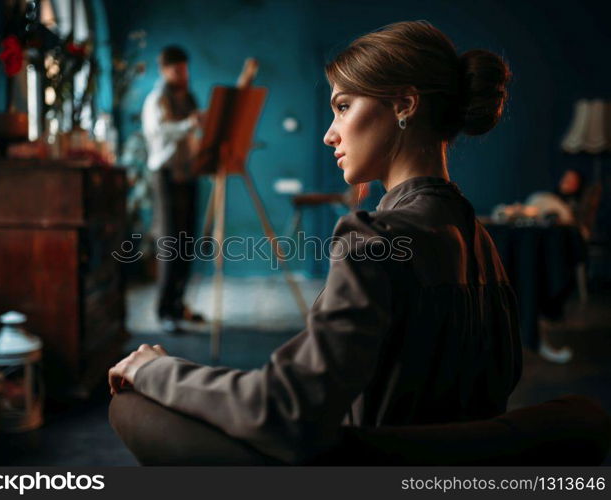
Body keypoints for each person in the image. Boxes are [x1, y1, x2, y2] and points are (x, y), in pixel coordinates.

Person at [111, 21, 522, 464]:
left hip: (358, 465)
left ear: (404, 104)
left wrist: (156, 369)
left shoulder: (375, 239)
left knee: (131, 403)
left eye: (343, 107)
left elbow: (287, 408)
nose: (330, 133)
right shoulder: (481, 242)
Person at [142, 45, 205, 332]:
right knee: (169, 245)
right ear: (165, 70)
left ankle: (178, 304)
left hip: (188, 175)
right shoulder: (156, 100)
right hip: (165, 176)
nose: (184, 75)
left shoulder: (189, 98)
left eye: (186, 68)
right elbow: (161, 131)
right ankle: (164, 310)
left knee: (187, 243)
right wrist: (189, 124)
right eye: (178, 69)